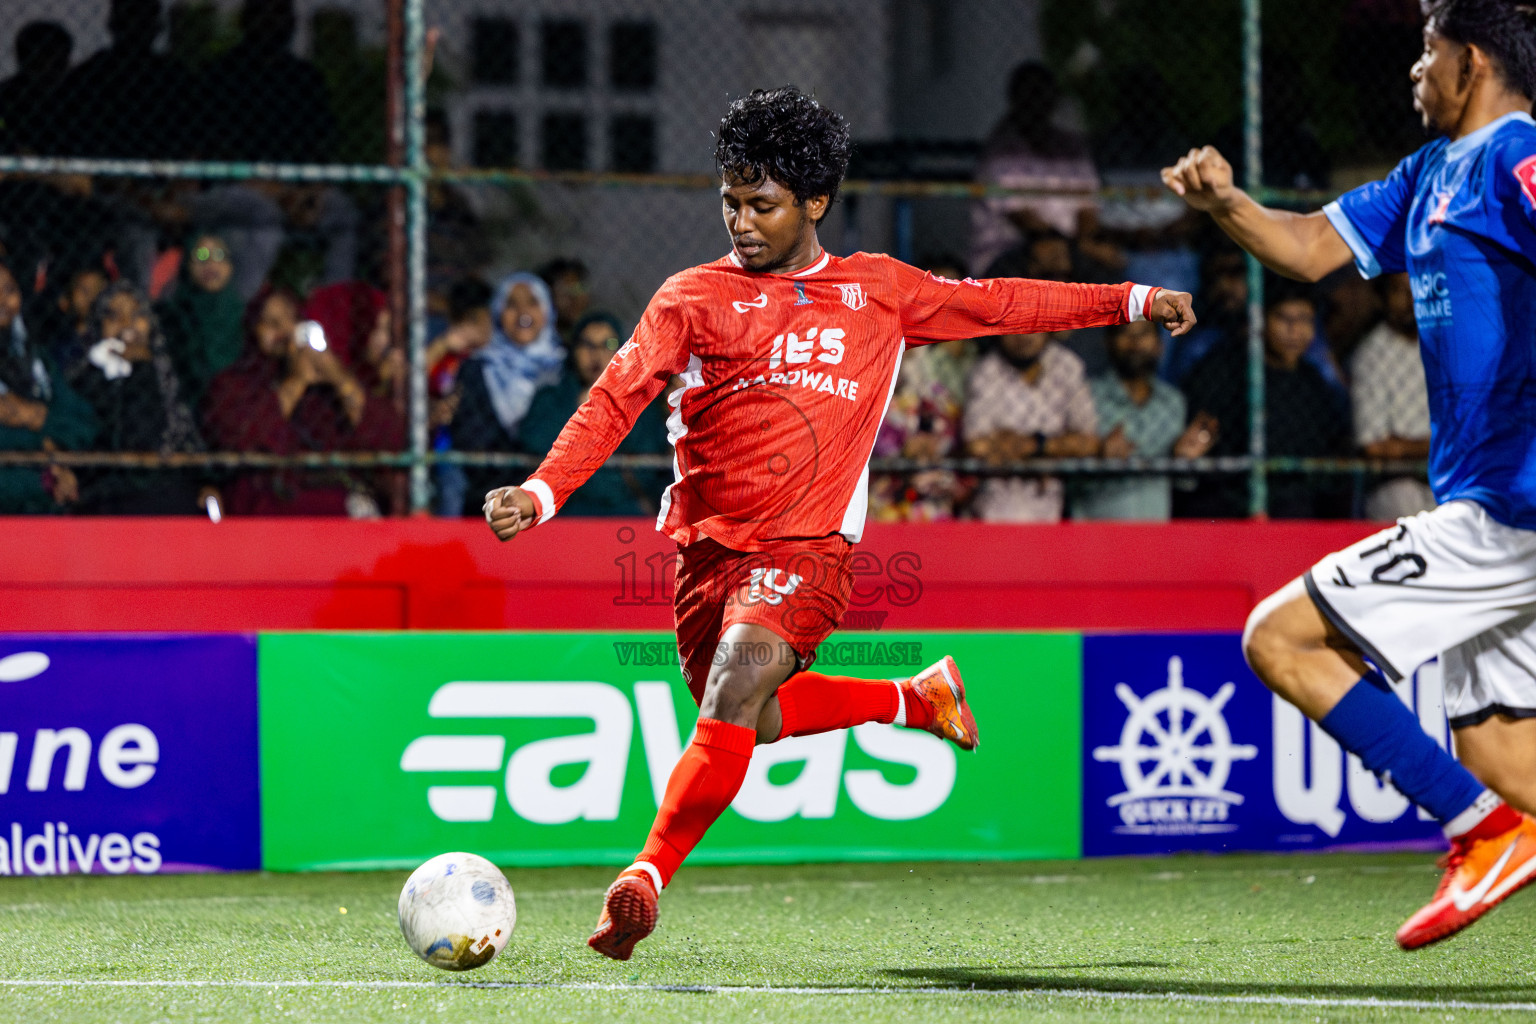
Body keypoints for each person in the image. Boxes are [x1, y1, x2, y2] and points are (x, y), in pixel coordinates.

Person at [482, 86, 1195, 960]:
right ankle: (913, 697)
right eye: (730, 202)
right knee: (756, 718)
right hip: (705, 558)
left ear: (814, 201)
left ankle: (644, 877)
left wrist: (1129, 299)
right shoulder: (690, 298)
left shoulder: (879, 293)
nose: (741, 221)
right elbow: (614, 397)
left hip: (810, 552)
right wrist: (544, 490)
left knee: (733, 693)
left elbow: (1003, 303)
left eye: (763, 204)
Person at [1162, 0, 1536, 950]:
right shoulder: (1427, 173)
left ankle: (1481, 837)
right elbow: (1308, 248)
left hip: (1513, 504)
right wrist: (1223, 206)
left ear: (1472, 60)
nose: (1415, 69)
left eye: (1427, 49)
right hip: (1486, 500)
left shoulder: (1513, 156)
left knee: (1279, 639)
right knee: (1500, 751)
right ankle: (1496, 820)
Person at [202, 286, 402, 515]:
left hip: (337, 497)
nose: (286, 331)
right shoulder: (233, 384)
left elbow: (388, 437)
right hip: (269, 502)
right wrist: (296, 381)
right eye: (271, 323)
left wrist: (338, 377)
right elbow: (245, 439)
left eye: (293, 320)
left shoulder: (327, 387)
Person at [1177, 285, 1351, 519]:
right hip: (1227, 497)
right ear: (1260, 322)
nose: (1295, 330)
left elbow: (1330, 454)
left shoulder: (1313, 384)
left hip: (1294, 502)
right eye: (1284, 318)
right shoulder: (1222, 370)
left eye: (1304, 320)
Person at [66, 281, 208, 514]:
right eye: (113, 316)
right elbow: (125, 438)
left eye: (137, 314)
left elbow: (186, 439)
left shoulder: (174, 374)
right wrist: (135, 369)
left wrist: (143, 366)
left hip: (169, 493)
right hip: (107, 498)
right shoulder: (83, 381)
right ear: (97, 328)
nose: (127, 323)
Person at [518, 312, 671, 516]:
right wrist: (577, 413)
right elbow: (534, 447)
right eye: (587, 345)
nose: (596, 354)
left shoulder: (641, 401)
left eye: (608, 344)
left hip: (625, 510)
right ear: (573, 350)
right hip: (565, 511)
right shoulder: (551, 398)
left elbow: (649, 464)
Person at [1073, 319, 1216, 521]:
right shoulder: (1085, 397)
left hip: (1154, 537)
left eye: (1143, 334)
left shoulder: (1173, 403)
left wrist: (1183, 460)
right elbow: (1066, 480)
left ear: (1160, 345)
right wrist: (1098, 455)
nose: (1135, 342)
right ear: (1108, 342)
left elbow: (1182, 484)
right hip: (1096, 534)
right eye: (1125, 333)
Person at [970, 62, 1103, 277]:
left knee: (1104, 266)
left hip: (1070, 248)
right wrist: (1066, 247)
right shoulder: (1001, 152)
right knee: (1047, 257)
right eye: (1031, 94)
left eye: (1044, 95)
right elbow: (1024, 220)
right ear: (1015, 100)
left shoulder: (1071, 148)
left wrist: (1082, 246)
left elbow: (1088, 211)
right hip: (1007, 252)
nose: (1038, 103)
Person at [449, 271, 566, 514]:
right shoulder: (475, 369)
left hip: (555, 501)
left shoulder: (566, 369)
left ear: (547, 311)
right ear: (498, 313)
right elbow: (470, 438)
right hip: (489, 499)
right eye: (511, 304)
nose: (523, 311)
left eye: (533, 302)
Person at [963, 331, 1100, 522]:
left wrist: (1036, 445)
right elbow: (976, 445)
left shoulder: (1068, 366)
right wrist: (1058, 447)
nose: (1024, 337)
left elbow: (1089, 443)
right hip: (994, 513)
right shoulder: (985, 371)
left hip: (1057, 513)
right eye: (1015, 326)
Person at [0, 259, 97, 513]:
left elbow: (85, 425)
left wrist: (39, 418)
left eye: (9, 290)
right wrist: (44, 475)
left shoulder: (37, 362)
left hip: (45, 507)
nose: (1, 300)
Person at [1351, 272, 1435, 519]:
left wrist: (1407, 445)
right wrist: (1437, 444)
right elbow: (1374, 446)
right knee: (1404, 500)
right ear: (1382, 298)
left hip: (1446, 477)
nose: (1411, 300)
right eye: (1400, 291)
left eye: (1417, 290)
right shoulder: (1371, 354)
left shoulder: (1442, 347)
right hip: (1395, 481)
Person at [157, 232, 245, 412]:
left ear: (231, 266)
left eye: (219, 255)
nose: (211, 264)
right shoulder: (170, 317)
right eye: (201, 256)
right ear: (187, 265)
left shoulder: (246, 318)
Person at [427, 277, 494, 516]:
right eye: (467, 321)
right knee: (451, 482)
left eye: (482, 320)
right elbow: (414, 379)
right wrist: (443, 344)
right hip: (446, 441)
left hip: (485, 437)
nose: (476, 329)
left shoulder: (494, 357)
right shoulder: (446, 355)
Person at [0, 21, 72, 155]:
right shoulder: (6, 97)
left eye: (62, 57)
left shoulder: (73, 97)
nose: (57, 64)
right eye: (47, 55)